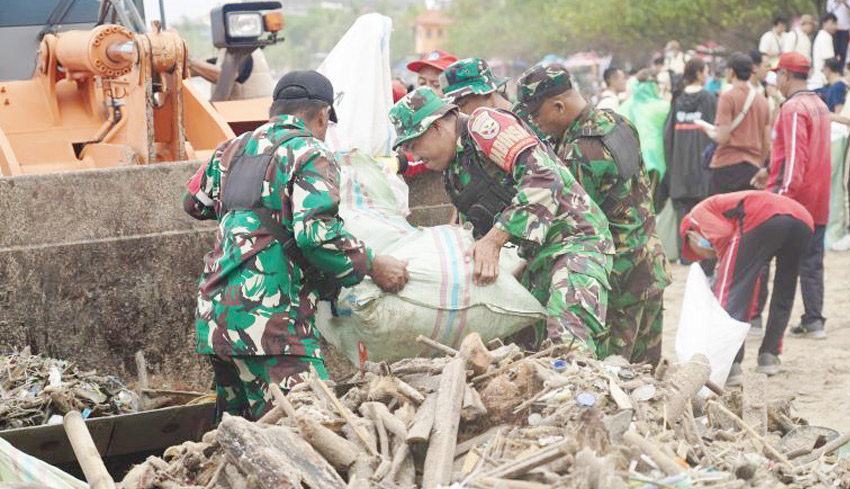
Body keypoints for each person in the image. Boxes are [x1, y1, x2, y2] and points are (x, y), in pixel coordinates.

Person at [183, 71, 409, 421]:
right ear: (322, 116)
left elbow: (193, 203)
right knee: (312, 426)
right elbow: (316, 234)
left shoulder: (230, 149)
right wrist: (373, 264)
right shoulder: (310, 152)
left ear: (273, 109)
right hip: (271, 324)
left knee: (238, 434)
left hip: (216, 319)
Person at [389, 87, 617, 355]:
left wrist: (493, 242)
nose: (415, 156)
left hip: (576, 242)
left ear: (437, 127)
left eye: (414, 145)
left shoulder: (484, 125)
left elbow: (545, 177)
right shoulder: (454, 167)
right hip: (537, 257)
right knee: (526, 353)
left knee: (568, 344)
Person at [514, 64, 671, 367]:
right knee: (647, 375)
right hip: (650, 266)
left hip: (618, 283)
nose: (535, 124)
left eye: (536, 115)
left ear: (559, 106)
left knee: (612, 375)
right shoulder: (616, 122)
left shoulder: (578, 152)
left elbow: (569, 225)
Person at [680, 191, 814, 386]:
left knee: (731, 290)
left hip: (763, 216)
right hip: (802, 221)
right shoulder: (721, 207)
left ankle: (731, 364)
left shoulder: (696, 215)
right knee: (785, 289)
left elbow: (724, 235)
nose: (703, 256)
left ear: (690, 234)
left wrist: (722, 267)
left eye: (696, 251)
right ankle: (770, 354)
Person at [753, 52, 831, 340]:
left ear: (786, 75)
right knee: (812, 262)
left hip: (794, 200)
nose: (776, 80)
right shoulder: (819, 105)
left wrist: (782, 197)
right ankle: (814, 320)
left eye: (778, 75)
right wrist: (768, 169)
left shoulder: (794, 108)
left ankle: (755, 320)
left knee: (763, 259)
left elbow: (797, 157)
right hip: (819, 199)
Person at [664, 57, 716, 262]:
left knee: (682, 212)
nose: (707, 75)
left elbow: (668, 137)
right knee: (702, 209)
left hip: (679, 166)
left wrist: (671, 165)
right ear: (698, 73)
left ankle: (685, 255)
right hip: (702, 167)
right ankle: (702, 253)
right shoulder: (709, 99)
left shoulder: (677, 101)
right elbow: (715, 131)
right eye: (705, 71)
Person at [705, 53, 770, 195]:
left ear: (731, 72)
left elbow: (722, 138)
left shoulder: (728, 97)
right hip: (752, 169)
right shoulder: (763, 101)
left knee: (719, 215)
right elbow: (766, 141)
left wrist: (707, 130)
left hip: (725, 166)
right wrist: (759, 164)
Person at [617, 69, 671, 191]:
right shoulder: (663, 107)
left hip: (627, 163)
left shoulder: (622, 108)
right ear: (653, 85)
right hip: (654, 161)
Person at [440, 58, 512, 114]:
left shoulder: (520, 123)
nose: (458, 113)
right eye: (451, 107)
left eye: (460, 103)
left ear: (487, 93)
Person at [811, 13, 839, 89]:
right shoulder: (825, 37)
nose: (835, 27)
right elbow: (829, 61)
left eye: (836, 24)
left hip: (819, 79)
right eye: (832, 23)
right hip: (823, 81)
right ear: (824, 23)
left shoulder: (821, 35)